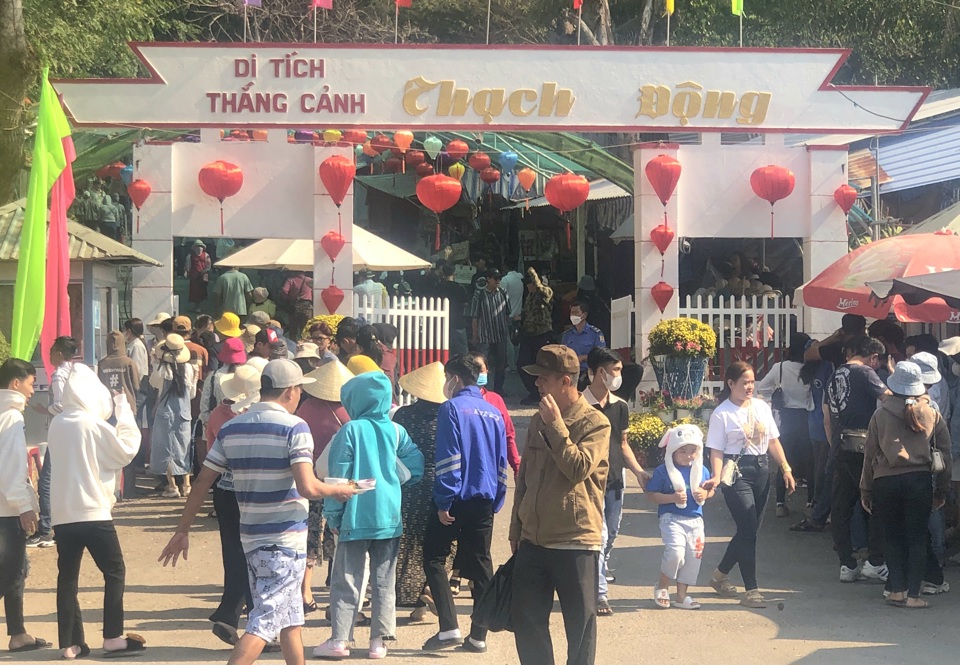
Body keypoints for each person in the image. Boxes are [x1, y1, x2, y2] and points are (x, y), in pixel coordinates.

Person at [159, 359, 358, 665]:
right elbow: (308, 487)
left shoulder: (231, 427)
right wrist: (340, 489)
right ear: (291, 391)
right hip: (285, 539)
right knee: (263, 624)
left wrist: (183, 529)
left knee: (290, 619)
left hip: (251, 536)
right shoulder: (295, 427)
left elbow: (202, 482)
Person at [313, 370, 425, 660]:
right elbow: (416, 467)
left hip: (355, 514)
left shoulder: (350, 430)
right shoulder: (396, 430)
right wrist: (392, 483)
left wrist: (334, 516)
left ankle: (340, 640)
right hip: (389, 515)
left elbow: (338, 477)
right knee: (384, 579)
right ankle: (379, 642)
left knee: (348, 578)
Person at [510, 345, 611, 665]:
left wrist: (556, 425)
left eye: (544, 379)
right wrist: (517, 527)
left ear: (565, 381)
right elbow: (524, 476)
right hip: (534, 538)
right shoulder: (540, 419)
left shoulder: (595, 422)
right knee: (527, 622)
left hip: (575, 539)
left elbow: (579, 468)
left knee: (579, 627)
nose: (537, 385)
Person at [49, 364, 143, 659]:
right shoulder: (92, 424)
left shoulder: (57, 424)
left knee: (68, 577)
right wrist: (123, 409)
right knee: (114, 572)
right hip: (94, 512)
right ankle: (113, 637)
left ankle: (70, 643)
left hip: (63, 514)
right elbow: (126, 449)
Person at [421, 355, 507, 653]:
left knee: (433, 557)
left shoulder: (451, 408)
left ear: (455, 379)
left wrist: (444, 500)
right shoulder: (493, 411)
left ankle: (448, 627)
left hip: (456, 497)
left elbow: (449, 458)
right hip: (484, 498)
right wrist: (498, 498)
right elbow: (501, 460)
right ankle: (478, 635)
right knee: (481, 563)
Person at [704, 361, 796, 608]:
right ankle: (752, 589)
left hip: (762, 468)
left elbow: (774, 441)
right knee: (747, 525)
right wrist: (715, 476)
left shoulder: (761, 407)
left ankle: (719, 576)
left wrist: (786, 468)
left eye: (752, 382)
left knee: (750, 531)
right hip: (735, 473)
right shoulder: (721, 413)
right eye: (744, 382)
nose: (749, 387)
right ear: (731, 384)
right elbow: (716, 450)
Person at [862, 362, 952, 608]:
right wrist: (942, 489)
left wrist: (866, 490)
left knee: (891, 537)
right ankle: (914, 595)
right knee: (916, 538)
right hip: (919, 481)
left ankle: (897, 591)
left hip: (885, 481)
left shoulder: (879, 414)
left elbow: (869, 455)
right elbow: (945, 452)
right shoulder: (932, 412)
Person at [583, 347, 651, 616]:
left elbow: (622, 445)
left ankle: (597, 569)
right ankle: (600, 594)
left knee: (611, 533)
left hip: (615, 481)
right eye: (616, 371)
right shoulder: (579, 405)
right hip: (589, 483)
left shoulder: (620, 406)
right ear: (600, 372)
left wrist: (639, 472)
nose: (620, 375)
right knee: (597, 537)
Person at [825, 335, 890, 583]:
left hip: (841, 445)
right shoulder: (865, 373)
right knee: (874, 503)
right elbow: (888, 398)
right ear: (873, 357)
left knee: (841, 506)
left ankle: (846, 563)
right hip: (864, 447)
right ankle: (875, 561)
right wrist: (893, 377)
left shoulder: (836, 373)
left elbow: (828, 416)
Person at [204, 365, 261, 646]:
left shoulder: (218, 415)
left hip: (223, 491)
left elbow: (210, 453)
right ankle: (253, 619)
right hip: (250, 491)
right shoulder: (249, 418)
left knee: (234, 553)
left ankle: (228, 612)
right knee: (255, 556)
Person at [0, 359, 49, 653]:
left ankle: (18, 632)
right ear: (15, 384)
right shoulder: (11, 417)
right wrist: (24, 505)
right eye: (31, 383)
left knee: (16, 570)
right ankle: (17, 633)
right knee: (11, 571)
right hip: (6, 509)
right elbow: (12, 468)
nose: (33, 390)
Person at [297, 361, 353, 613]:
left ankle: (304, 592)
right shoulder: (346, 413)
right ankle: (337, 595)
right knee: (337, 539)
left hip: (305, 477)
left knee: (307, 538)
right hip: (334, 483)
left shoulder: (304, 408)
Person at [392, 363, 448, 613]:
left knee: (409, 540)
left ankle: (407, 591)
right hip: (440, 484)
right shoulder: (448, 415)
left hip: (410, 484)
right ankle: (431, 589)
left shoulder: (404, 415)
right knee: (439, 541)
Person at [645, 424, 714, 610]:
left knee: (694, 556)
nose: (688, 455)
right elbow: (652, 495)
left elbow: (710, 490)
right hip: (671, 518)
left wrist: (704, 495)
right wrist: (672, 498)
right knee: (675, 552)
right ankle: (663, 586)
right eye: (682, 451)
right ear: (672, 451)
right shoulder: (662, 471)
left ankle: (681, 595)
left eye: (693, 451)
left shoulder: (701, 470)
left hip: (695, 520)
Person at [755, 333, 814, 517]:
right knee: (810, 462)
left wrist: (775, 394)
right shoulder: (812, 368)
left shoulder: (780, 367)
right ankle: (810, 504)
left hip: (786, 418)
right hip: (806, 418)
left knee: (784, 461)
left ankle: (780, 503)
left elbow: (762, 387)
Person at [28, 335, 77, 548]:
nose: (48, 356)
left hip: (59, 431)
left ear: (58, 353)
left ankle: (46, 528)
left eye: (51, 352)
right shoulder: (76, 372)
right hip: (74, 432)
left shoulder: (59, 375)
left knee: (47, 480)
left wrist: (43, 410)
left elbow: (60, 405)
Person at [149, 334, 198, 498]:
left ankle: (172, 486)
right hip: (184, 412)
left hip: (165, 412)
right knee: (183, 447)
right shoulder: (190, 369)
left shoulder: (162, 370)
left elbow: (154, 384)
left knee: (165, 449)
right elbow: (191, 394)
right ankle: (187, 484)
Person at [466, 352, 521, 478]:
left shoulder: (495, 400)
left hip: (493, 470)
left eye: (481, 370)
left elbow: (508, 436)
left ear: (487, 371)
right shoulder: (456, 404)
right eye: (474, 370)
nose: (478, 374)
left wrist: (517, 467)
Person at [470, 270, 511, 394]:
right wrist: (475, 335)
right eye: (495, 278)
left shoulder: (503, 293)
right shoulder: (480, 294)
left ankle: (499, 388)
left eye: (499, 278)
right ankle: (481, 389)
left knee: (501, 364)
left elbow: (507, 314)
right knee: (481, 364)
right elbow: (474, 317)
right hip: (485, 335)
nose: (498, 281)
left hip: (500, 334)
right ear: (488, 279)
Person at [518, 267, 554, 405]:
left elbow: (541, 288)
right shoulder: (530, 296)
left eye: (529, 283)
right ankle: (533, 391)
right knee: (523, 363)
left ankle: (542, 393)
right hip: (529, 334)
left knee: (541, 365)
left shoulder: (545, 292)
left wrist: (533, 273)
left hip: (542, 334)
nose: (527, 286)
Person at [561, 301, 606, 392]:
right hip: (569, 372)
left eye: (576, 313)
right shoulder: (567, 335)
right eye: (571, 313)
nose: (573, 315)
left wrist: (583, 357)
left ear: (584, 315)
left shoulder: (595, 333)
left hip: (587, 372)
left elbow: (601, 354)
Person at [436, 263, 470, 356]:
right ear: (454, 273)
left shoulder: (438, 287)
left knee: (445, 349)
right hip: (458, 321)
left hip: (442, 322)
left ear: (443, 272)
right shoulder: (460, 288)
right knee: (462, 349)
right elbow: (465, 304)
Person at [499, 265, 524, 369]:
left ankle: (511, 365)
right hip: (518, 314)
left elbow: (499, 295)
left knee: (508, 341)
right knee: (516, 341)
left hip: (508, 315)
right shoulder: (520, 280)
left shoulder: (505, 280)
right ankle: (517, 363)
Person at [280, 271, 314, 336]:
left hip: (294, 305)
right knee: (305, 327)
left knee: (293, 328)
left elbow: (284, 290)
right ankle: (304, 341)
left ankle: (293, 343)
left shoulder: (291, 280)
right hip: (307, 306)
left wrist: (287, 298)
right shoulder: (309, 280)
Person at [185, 240, 212, 312]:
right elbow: (188, 266)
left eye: (201, 247)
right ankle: (196, 307)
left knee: (202, 291)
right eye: (197, 247)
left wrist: (205, 271)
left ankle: (198, 306)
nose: (199, 248)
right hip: (194, 277)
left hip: (203, 277)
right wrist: (187, 273)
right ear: (194, 248)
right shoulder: (190, 256)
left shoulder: (206, 255)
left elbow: (208, 265)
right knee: (194, 292)